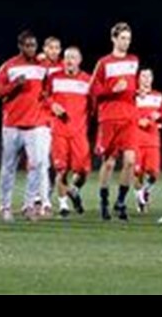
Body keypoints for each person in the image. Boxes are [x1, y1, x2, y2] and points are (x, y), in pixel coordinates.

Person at [0, 30, 50, 221]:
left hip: (35, 124)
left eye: (34, 45)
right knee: (8, 167)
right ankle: (5, 206)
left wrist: (46, 98)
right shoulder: (10, 66)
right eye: (27, 45)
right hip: (12, 125)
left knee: (37, 164)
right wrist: (14, 85)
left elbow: (48, 88)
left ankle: (29, 204)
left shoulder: (43, 67)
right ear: (20, 46)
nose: (31, 48)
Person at [91, 22, 140, 222]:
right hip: (109, 118)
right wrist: (112, 89)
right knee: (109, 163)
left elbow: (131, 88)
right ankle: (104, 201)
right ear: (113, 39)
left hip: (129, 117)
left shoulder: (134, 61)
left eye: (128, 38)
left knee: (130, 162)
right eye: (122, 38)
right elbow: (93, 90)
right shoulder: (104, 63)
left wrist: (137, 92)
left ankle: (120, 201)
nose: (126, 42)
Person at [43, 46, 92, 217]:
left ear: (80, 60)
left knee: (83, 171)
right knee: (61, 169)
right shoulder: (54, 78)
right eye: (67, 57)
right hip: (59, 131)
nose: (70, 61)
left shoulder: (87, 80)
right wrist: (52, 105)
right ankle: (63, 205)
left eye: (73, 57)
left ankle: (75, 189)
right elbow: (44, 96)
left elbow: (92, 106)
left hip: (79, 132)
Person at [133, 68, 162, 214]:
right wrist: (137, 120)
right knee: (137, 172)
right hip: (135, 139)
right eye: (143, 76)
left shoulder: (158, 96)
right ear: (138, 78)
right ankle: (140, 200)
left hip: (153, 139)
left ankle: (146, 190)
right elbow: (125, 113)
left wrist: (157, 116)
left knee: (154, 173)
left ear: (152, 79)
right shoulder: (132, 96)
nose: (146, 79)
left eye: (148, 76)